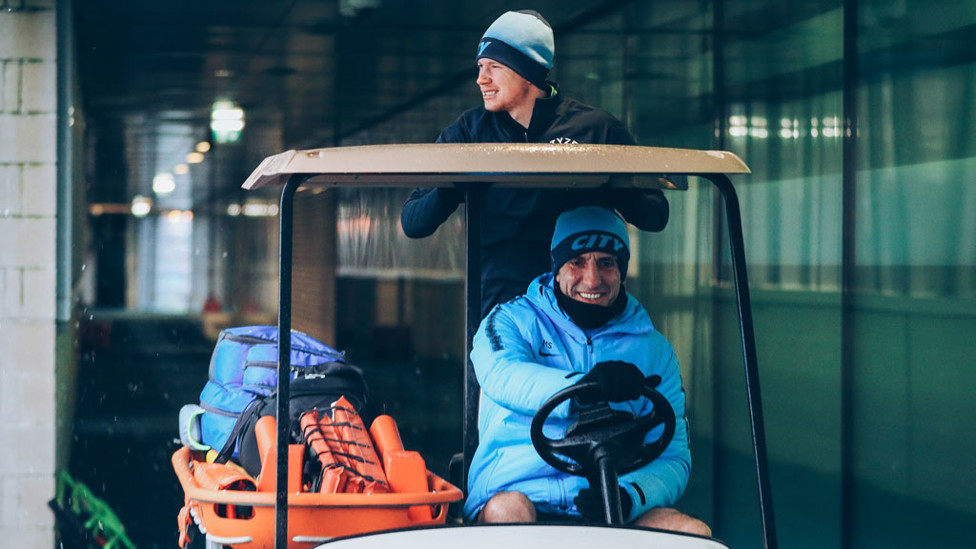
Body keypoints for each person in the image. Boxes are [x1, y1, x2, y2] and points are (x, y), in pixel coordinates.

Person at [401, 10, 673, 318]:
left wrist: (611, 179)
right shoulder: (469, 132)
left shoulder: (595, 129)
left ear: (527, 70)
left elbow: (656, 215)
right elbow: (413, 222)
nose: (481, 79)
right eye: (480, 67)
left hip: (582, 307)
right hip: (501, 312)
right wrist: (455, 182)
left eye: (494, 66)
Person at [465, 206, 710, 536]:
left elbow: (673, 457)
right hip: (522, 493)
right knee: (507, 514)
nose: (592, 279)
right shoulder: (510, 321)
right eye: (577, 262)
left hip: (610, 501)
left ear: (621, 270)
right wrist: (585, 386)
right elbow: (502, 374)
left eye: (606, 263)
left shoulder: (654, 350)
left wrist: (631, 496)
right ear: (557, 268)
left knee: (692, 534)